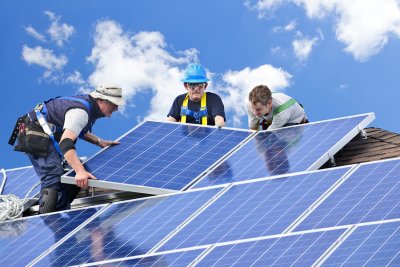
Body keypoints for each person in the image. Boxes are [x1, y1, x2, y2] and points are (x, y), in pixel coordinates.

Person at [9, 85, 125, 213]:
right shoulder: (81, 112)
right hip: (34, 132)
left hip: (44, 131)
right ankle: (47, 216)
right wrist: (80, 171)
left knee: (72, 176)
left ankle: (60, 213)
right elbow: (66, 142)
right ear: (100, 100)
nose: (116, 108)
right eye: (114, 104)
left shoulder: (88, 108)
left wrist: (99, 141)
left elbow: (76, 129)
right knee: (53, 176)